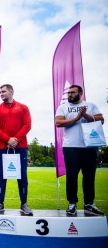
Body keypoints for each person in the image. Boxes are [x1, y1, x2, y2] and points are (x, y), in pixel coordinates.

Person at [55, 85, 105, 216]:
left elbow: (101, 120)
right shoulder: (63, 107)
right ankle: (72, 203)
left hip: (89, 146)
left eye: (72, 92)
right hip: (71, 147)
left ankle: (89, 204)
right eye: (68, 93)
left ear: (80, 93)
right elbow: (58, 122)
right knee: (71, 176)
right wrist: (76, 118)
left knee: (89, 177)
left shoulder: (91, 105)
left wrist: (86, 115)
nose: (69, 95)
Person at [0, 84, 33, 216]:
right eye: (0, 92)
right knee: (1, 176)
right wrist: (8, 139)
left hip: (20, 147)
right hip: (2, 147)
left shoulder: (23, 107)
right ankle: (0, 203)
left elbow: (27, 125)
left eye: (3, 92)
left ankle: (24, 204)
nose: (1, 94)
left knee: (22, 176)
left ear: (11, 92)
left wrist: (16, 139)